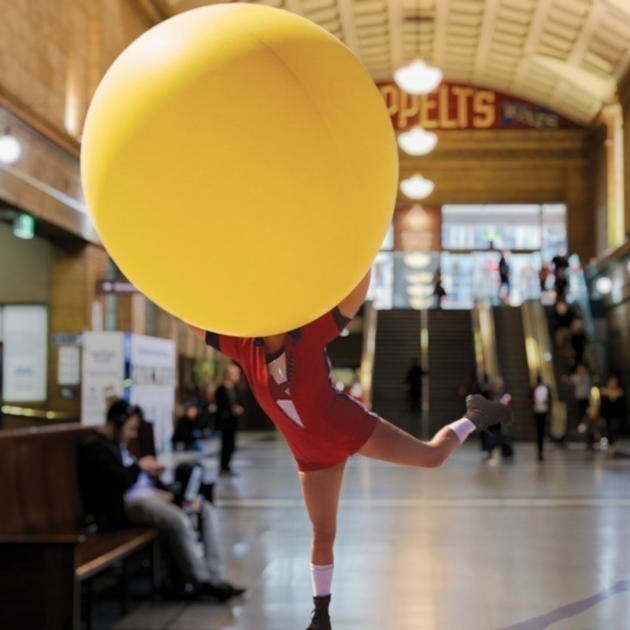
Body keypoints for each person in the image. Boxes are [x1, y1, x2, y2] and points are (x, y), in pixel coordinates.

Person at [187, 269, 513, 630]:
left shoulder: (309, 334)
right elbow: (193, 321)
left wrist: (364, 249)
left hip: (347, 428)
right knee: (323, 533)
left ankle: (476, 414)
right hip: (310, 455)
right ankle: (321, 616)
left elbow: (355, 295)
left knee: (431, 456)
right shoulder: (245, 347)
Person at [79, 399, 244, 601]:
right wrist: (139, 467)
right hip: (127, 504)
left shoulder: (118, 445)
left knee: (205, 509)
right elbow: (119, 483)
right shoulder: (95, 448)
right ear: (116, 423)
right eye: (131, 429)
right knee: (176, 518)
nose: (133, 435)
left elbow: (134, 475)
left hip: (149, 496)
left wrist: (155, 477)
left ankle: (215, 577)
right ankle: (201, 580)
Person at [215, 363, 245, 476]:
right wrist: (232, 409)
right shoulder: (221, 389)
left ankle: (227, 466)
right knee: (226, 445)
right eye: (235, 373)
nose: (238, 376)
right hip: (225, 423)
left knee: (231, 445)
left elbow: (237, 403)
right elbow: (222, 406)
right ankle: (223, 467)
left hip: (232, 422)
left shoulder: (235, 389)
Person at [600, 374, 625, 451]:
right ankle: (609, 445)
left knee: (614, 429)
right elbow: (602, 404)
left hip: (616, 415)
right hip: (606, 415)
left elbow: (622, 405)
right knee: (607, 430)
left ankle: (612, 444)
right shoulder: (603, 391)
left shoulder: (620, 392)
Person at [532, 375, 551, 461]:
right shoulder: (542, 389)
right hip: (539, 412)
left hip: (541, 411)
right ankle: (540, 451)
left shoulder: (539, 389)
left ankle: (540, 451)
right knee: (540, 432)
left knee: (540, 432)